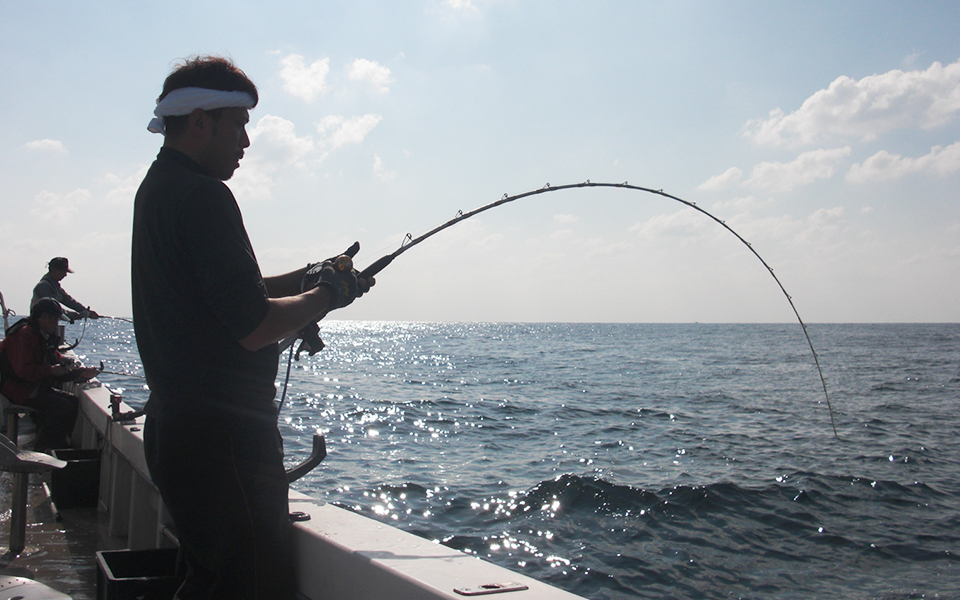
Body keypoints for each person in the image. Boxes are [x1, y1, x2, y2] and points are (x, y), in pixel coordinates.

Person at [131, 55, 375, 600]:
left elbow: (228, 293)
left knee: (210, 582)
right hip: (223, 447)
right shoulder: (204, 197)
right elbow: (255, 325)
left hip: (177, 432)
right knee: (250, 588)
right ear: (200, 120)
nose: (246, 140)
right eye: (238, 123)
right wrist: (328, 294)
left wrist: (310, 276)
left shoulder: (160, 188)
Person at [0, 298, 99, 451]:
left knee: (72, 402)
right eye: (53, 319)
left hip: (31, 387)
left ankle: (56, 446)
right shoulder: (23, 336)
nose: (55, 324)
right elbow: (23, 371)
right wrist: (51, 370)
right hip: (16, 390)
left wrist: (79, 372)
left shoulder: (41, 336)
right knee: (62, 407)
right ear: (42, 317)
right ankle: (44, 449)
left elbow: (54, 359)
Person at [31, 257, 100, 322]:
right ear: (54, 271)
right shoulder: (44, 286)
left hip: (49, 325)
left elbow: (68, 300)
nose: (65, 275)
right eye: (64, 272)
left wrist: (85, 311)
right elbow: (52, 307)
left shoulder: (55, 287)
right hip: (38, 325)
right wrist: (71, 315)